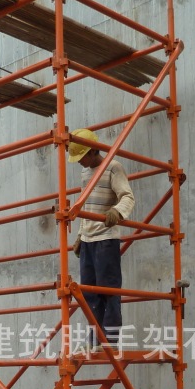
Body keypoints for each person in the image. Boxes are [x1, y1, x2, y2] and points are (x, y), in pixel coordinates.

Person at [69, 128, 135, 349]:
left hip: (106, 238)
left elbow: (127, 196)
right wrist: (80, 235)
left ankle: (111, 340)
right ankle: (95, 340)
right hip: (88, 240)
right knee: (89, 294)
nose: (79, 162)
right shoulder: (85, 173)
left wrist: (117, 212)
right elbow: (85, 205)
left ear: (92, 150)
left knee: (108, 290)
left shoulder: (113, 167)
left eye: (81, 157)